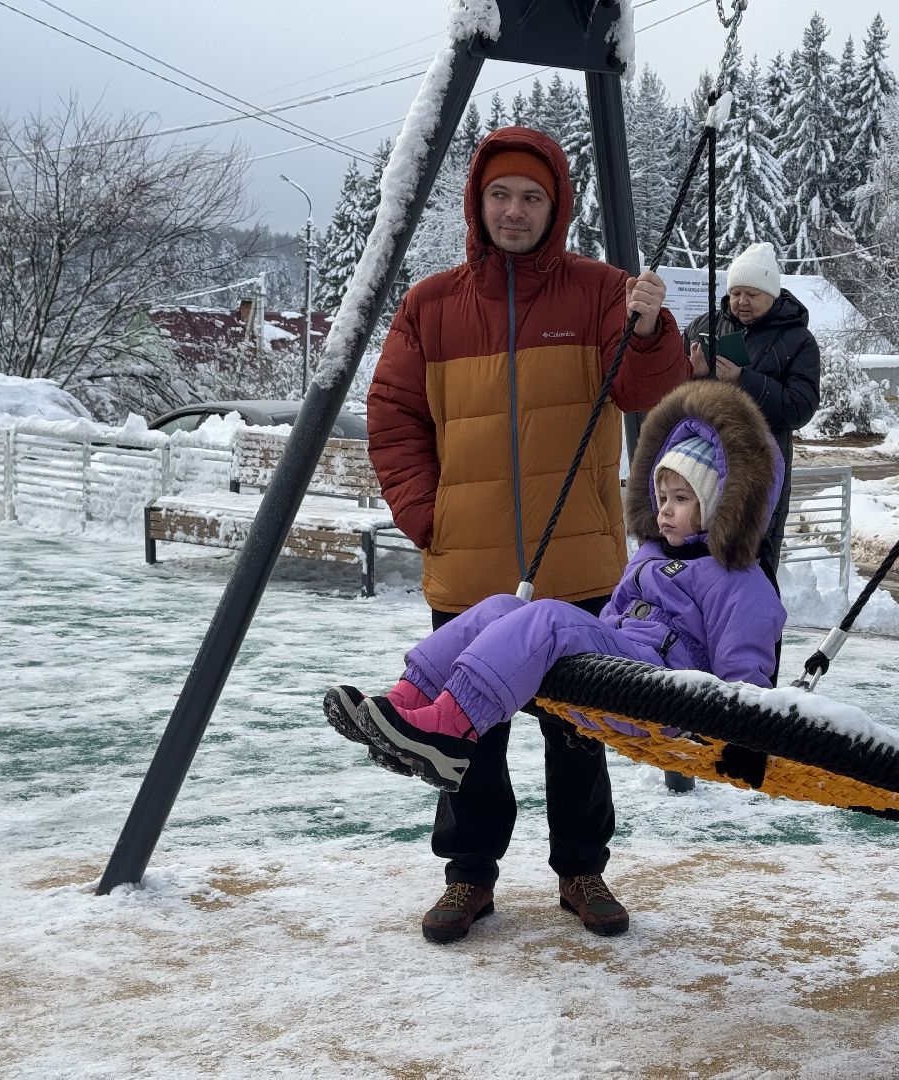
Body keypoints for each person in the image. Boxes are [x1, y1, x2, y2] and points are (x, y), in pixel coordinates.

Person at [363, 126, 688, 943]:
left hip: (576, 564)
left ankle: (582, 870)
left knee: (579, 733)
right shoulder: (431, 305)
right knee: (463, 731)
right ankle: (468, 877)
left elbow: (652, 386)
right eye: (501, 195)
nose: (515, 211)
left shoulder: (600, 292)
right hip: (467, 568)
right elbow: (392, 416)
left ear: (557, 207)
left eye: (532, 197)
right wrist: (428, 515)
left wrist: (650, 330)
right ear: (478, 204)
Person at [329, 379, 787, 940]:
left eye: (682, 499)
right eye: (661, 498)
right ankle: (408, 701)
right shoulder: (649, 557)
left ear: (720, 502)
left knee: (548, 617)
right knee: (501, 605)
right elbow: (615, 620)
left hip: (657, 688)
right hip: (614, 665)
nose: (665, 511)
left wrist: (733, 733)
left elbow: (745, 673)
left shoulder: (738, 581)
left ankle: (452, 729)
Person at [683, 241, 821, 580]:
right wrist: (692, 374)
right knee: (695, 551)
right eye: (736, 293)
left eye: (752, 294)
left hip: (761, 465)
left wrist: (745, 380)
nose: (742, 302)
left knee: (753, 554)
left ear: (772, 295)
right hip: (701, 460)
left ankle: (759, 630)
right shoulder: (705, 325)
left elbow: (799, 407)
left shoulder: (798, 340)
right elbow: (671, 392)